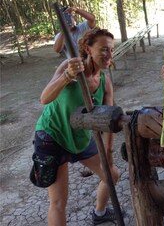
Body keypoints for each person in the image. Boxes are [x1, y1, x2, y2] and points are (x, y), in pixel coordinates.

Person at [30, 27, 120, 225]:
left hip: (80, 137)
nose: (109, 54)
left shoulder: (104, 81)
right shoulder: (69, 66)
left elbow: (110, 119)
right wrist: (67, 76)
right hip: (52, 136)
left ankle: (100, 213)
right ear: (88, 49)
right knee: (59, 202)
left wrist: (108, 150)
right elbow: (45, 98)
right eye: (103, 49)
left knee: (112, 175)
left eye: (111, 50)